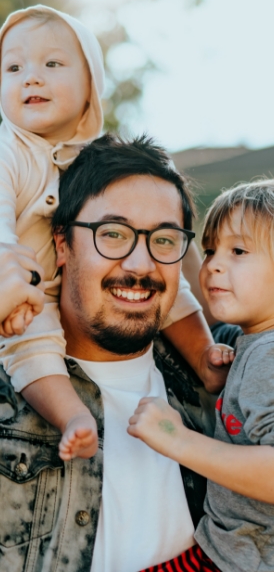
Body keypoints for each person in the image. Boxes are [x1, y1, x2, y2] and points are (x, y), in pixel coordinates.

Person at [0, 5, 232, 461]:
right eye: (13, 67)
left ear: (91, 87)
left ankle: (204, 357)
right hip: (27, 295)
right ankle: (71, 416)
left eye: (52, 64)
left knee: (174, 288)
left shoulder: (99, 161)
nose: (31, 77)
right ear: (65, 239)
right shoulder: (11, 151)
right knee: (32, 349)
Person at [0, 134, 221, 572]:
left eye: (163, 240)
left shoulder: (229, 373)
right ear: (61, 244)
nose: (140, 266)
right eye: (113, 234)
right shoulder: (10, 392)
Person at [129, 178, 274, 572]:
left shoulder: (268, 355)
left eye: (238, 250)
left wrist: (175, 439)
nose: (213, 265)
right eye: (210, 250)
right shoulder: (249, 340)